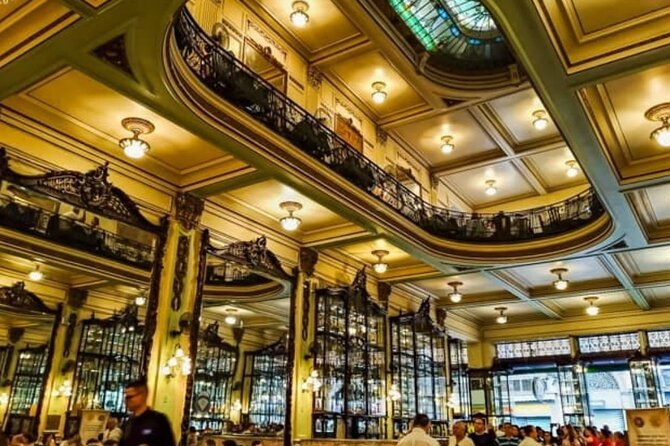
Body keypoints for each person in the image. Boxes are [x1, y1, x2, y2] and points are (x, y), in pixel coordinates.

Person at [120, 379, 176, 446]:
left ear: (142, 396)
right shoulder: (128, 423)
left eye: (129, 397)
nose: (126, 401)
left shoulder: (159, 420)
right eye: (125, 397)